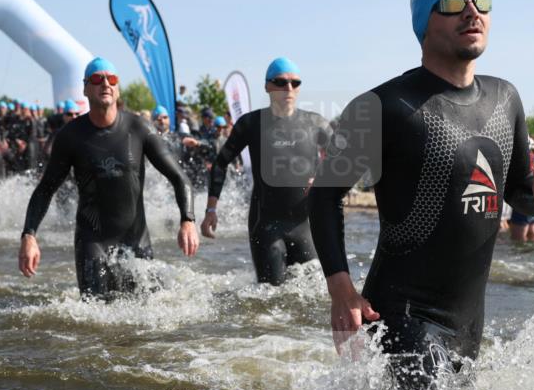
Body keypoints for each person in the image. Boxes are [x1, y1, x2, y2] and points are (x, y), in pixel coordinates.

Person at [308, 0, 534, 390]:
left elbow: (518, 190)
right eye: (453, 3)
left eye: (481, 1)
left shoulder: (505, 98)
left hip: (469, 326)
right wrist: (341, 288)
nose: (472, 12)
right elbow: (323, 195)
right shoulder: (382, 107)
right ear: (423, 23)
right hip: (403, 318)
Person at [18, 57, 199, 297]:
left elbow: (179, 177)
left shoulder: (140, 129)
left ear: (118, 88)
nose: (105, 83)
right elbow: (45, 189)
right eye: (97, 79)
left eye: (111, 79)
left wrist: (187, 220)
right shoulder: (70, 136)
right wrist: (29, 235)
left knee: (147, 314)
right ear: (85, 88)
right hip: (93, 244)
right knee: (96, 317)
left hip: (137, 242)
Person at [202, 57, 330, 285]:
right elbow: (220, 163)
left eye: (295, 83)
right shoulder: (251, 123)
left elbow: (343, 157)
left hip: (305, 226)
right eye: (280, 82)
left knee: (314, 295)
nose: (288, 88)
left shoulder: (315, 123)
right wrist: (211, 209)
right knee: (270, 298)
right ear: (267, 86)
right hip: (266, 225)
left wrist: (324, 177)